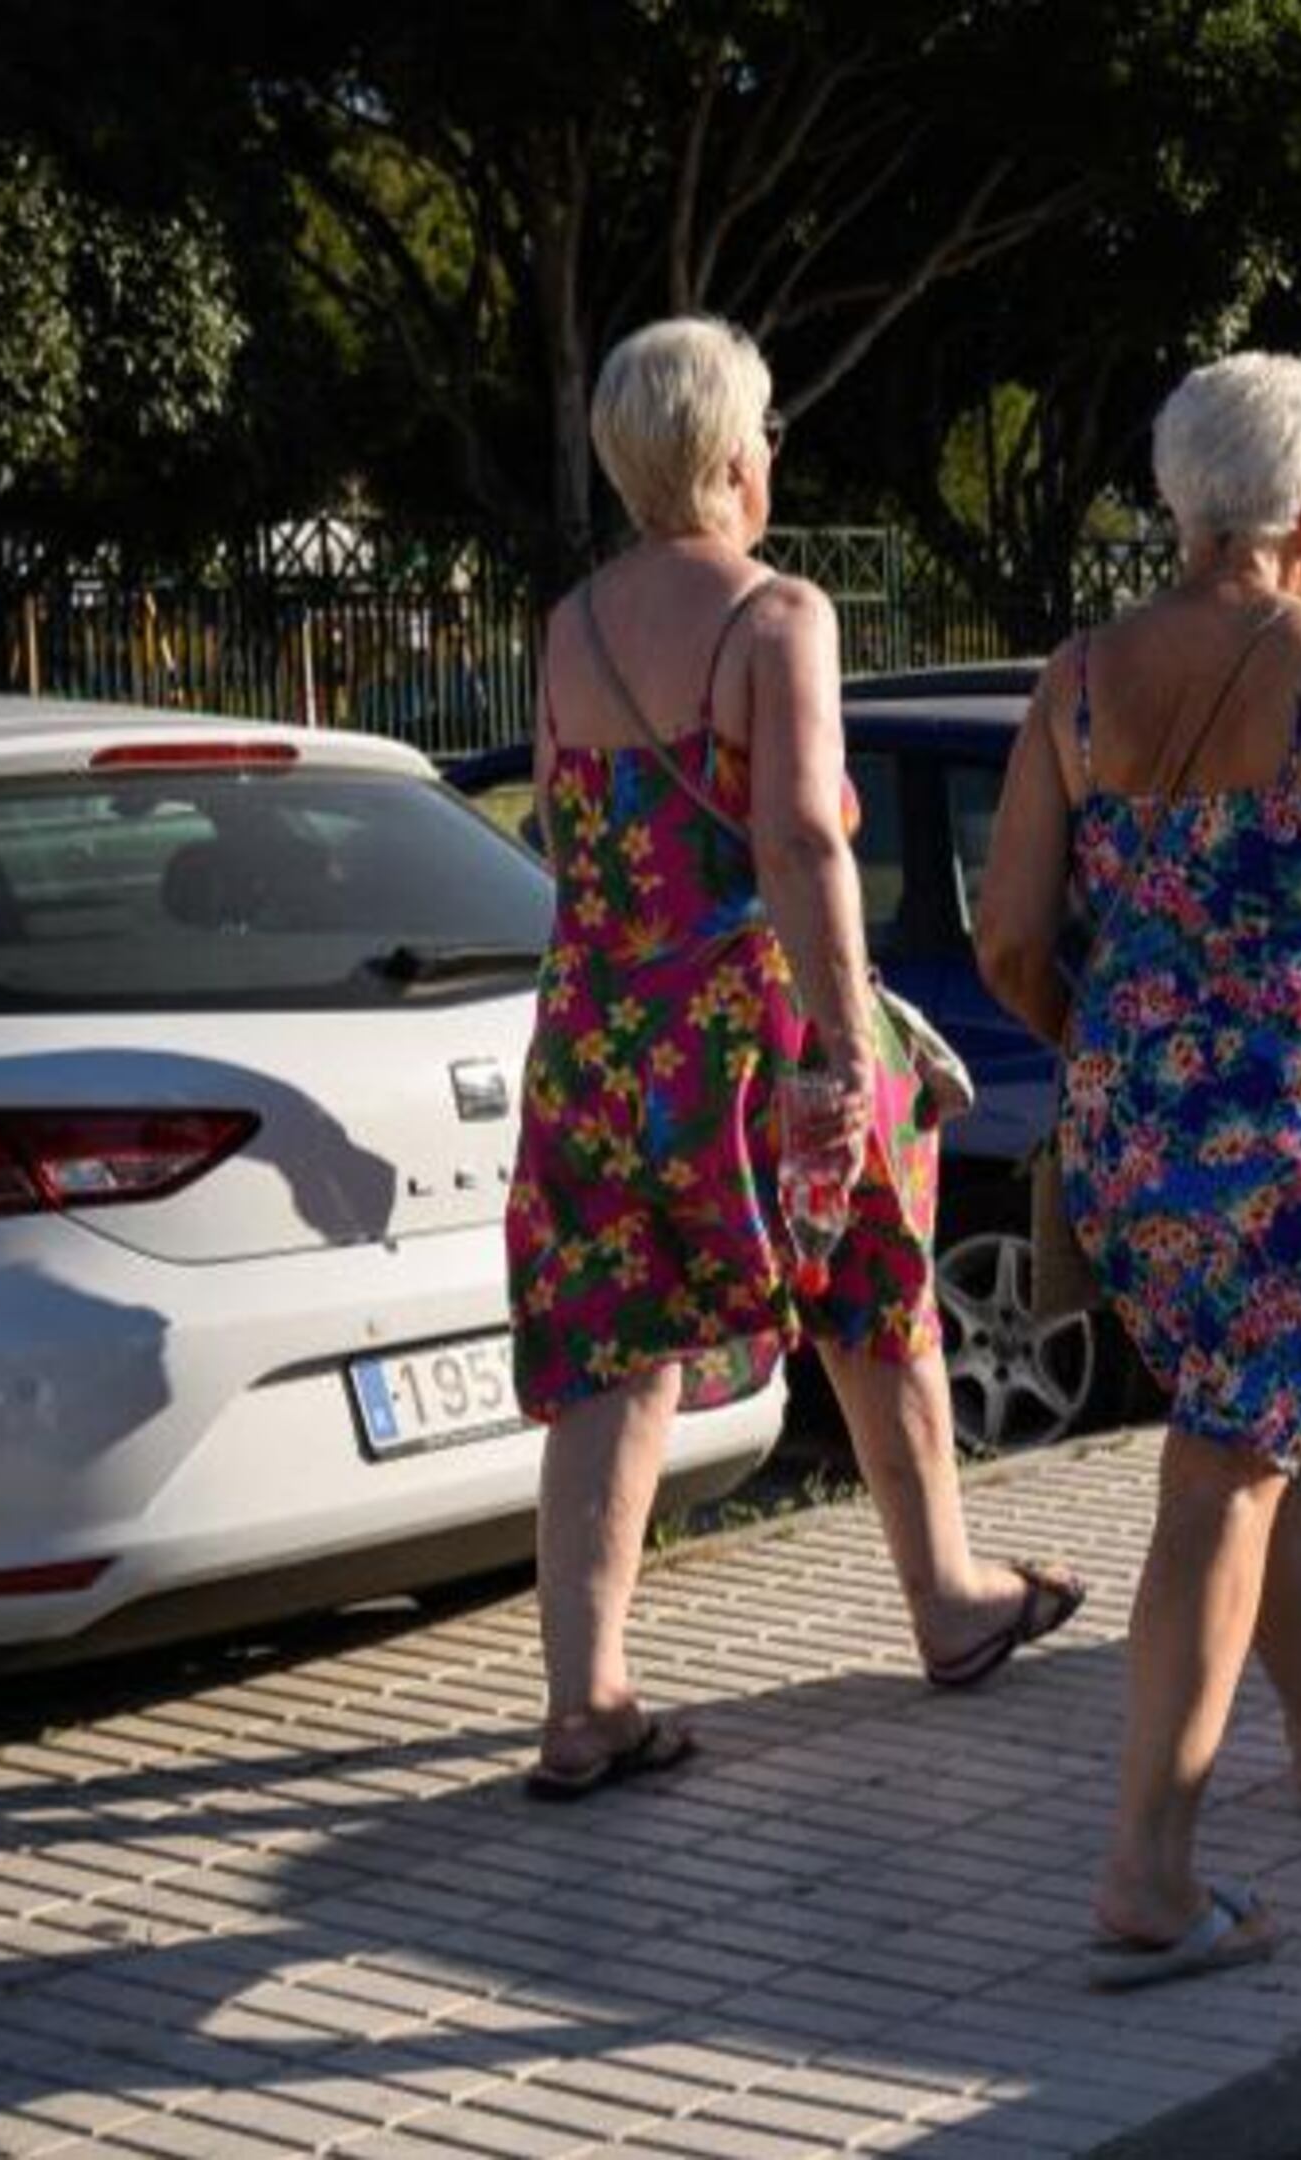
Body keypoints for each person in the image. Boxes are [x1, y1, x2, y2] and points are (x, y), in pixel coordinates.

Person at [506, 316, 1081, 1799]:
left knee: (614, 1345)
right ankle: (950, 1601)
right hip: (748, 1025)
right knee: (875, 1281)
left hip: (594, 1035)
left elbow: (576, 847)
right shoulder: (780, 617)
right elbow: (804, 837)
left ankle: (587, 1698)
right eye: (763, 429)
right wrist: (842, 1041)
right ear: (726, 453)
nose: (773, 453)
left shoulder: (566, 630)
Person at [973, 353, 1301, 1985]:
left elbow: (1002, 941)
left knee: (1265, 1431)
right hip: (1300, 1131)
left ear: (1185, 505)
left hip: (1130, 1124)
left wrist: (1111, 1039)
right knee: (1227, 1469)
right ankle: (1148, 1871)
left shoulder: (1071, 680)